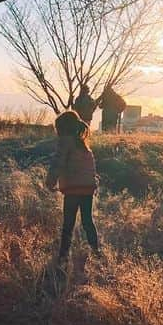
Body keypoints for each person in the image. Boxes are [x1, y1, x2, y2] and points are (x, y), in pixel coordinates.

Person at [46, 111, 100, 260]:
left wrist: (50, 181)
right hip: (88, 189)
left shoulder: (65, 142)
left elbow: (58, 162)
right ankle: (96, 252)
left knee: (68, 225)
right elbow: (90, 169)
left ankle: (62, 257)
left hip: (73, 189)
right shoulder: (83, 145)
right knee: (88, 221)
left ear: (62, 128)